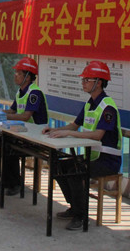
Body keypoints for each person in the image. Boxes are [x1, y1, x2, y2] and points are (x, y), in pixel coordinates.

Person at [42, 60, 122, 231]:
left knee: (76, 172)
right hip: (92, 157)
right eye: (83, 79)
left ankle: (81, 216)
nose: (83, 83)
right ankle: (75, 207)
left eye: (87, 80)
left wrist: (69, 134)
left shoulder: (107, 107)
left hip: (107, 161)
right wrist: (55, 130)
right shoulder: (89, 104)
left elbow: (98, 135)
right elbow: (74, 125)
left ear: (99, 82)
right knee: (59, 165)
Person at [0, 57, 48, 196]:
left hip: (37, 135)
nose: (15, 75)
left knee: (10, 147)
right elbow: (12, 111)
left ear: (27, 77)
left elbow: (25, 116)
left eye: (19, 73)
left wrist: (3, 117)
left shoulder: (34, 93)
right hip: (24, 132)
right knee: (0, 141)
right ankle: (6, 179)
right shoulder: (20, 91)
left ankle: (16, 183)